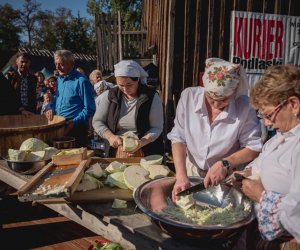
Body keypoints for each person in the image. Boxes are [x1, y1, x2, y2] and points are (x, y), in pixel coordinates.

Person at [167, 58, 262, 201]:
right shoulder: (189, 97)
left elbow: (253, 147)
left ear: (235, 92)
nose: (217, 105)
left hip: (226, 175)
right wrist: (181, 175)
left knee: (222, 213)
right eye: (211, 98)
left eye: (224, 99)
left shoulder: (245, 108)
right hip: (191, 170)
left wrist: (224, 163)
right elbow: (178, 138)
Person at [236, 64, 300, 248]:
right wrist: (243, 174)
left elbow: (296, 215)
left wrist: (261, 195)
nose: (266, 122)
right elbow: (261, 162)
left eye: (269, 114)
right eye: (262, 115)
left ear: (293, 104)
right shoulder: (280, 138)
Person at [92, 60, 164, 157]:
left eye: (129, 85)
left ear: (137, 80)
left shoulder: (151, 97)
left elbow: (157, 127)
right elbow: (97, 121)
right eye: (121, 85)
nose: (125, 89)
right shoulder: (110, 96)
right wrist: (110, 137)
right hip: (117, 150)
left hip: (145, 150)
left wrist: (142, 142)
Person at [45, 50, 96, 147]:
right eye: (56, 64)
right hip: (60, 124)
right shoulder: (60, 79)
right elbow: (56, 99)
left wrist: (74, 122)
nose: (57, 67)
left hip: (76, 128)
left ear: (72, 64)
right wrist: (50, 107)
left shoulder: (81, 81)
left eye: (61, 64)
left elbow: (90, 108)